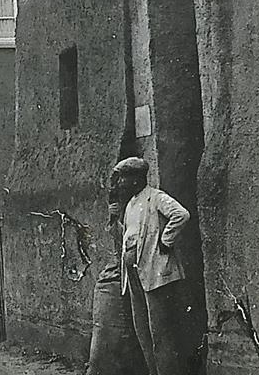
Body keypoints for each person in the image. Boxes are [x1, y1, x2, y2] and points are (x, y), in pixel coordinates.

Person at [108, 157, 189, 375]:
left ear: (135, 179)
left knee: (159, 333)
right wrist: (117, 218)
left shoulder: (156, 197)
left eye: (124, 178)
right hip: (134, 274)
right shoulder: (131, 203)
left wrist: (166, 240)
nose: (120, 183)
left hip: (156, 272)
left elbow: (180, 215)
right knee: (142, 329)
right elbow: (130, 235)